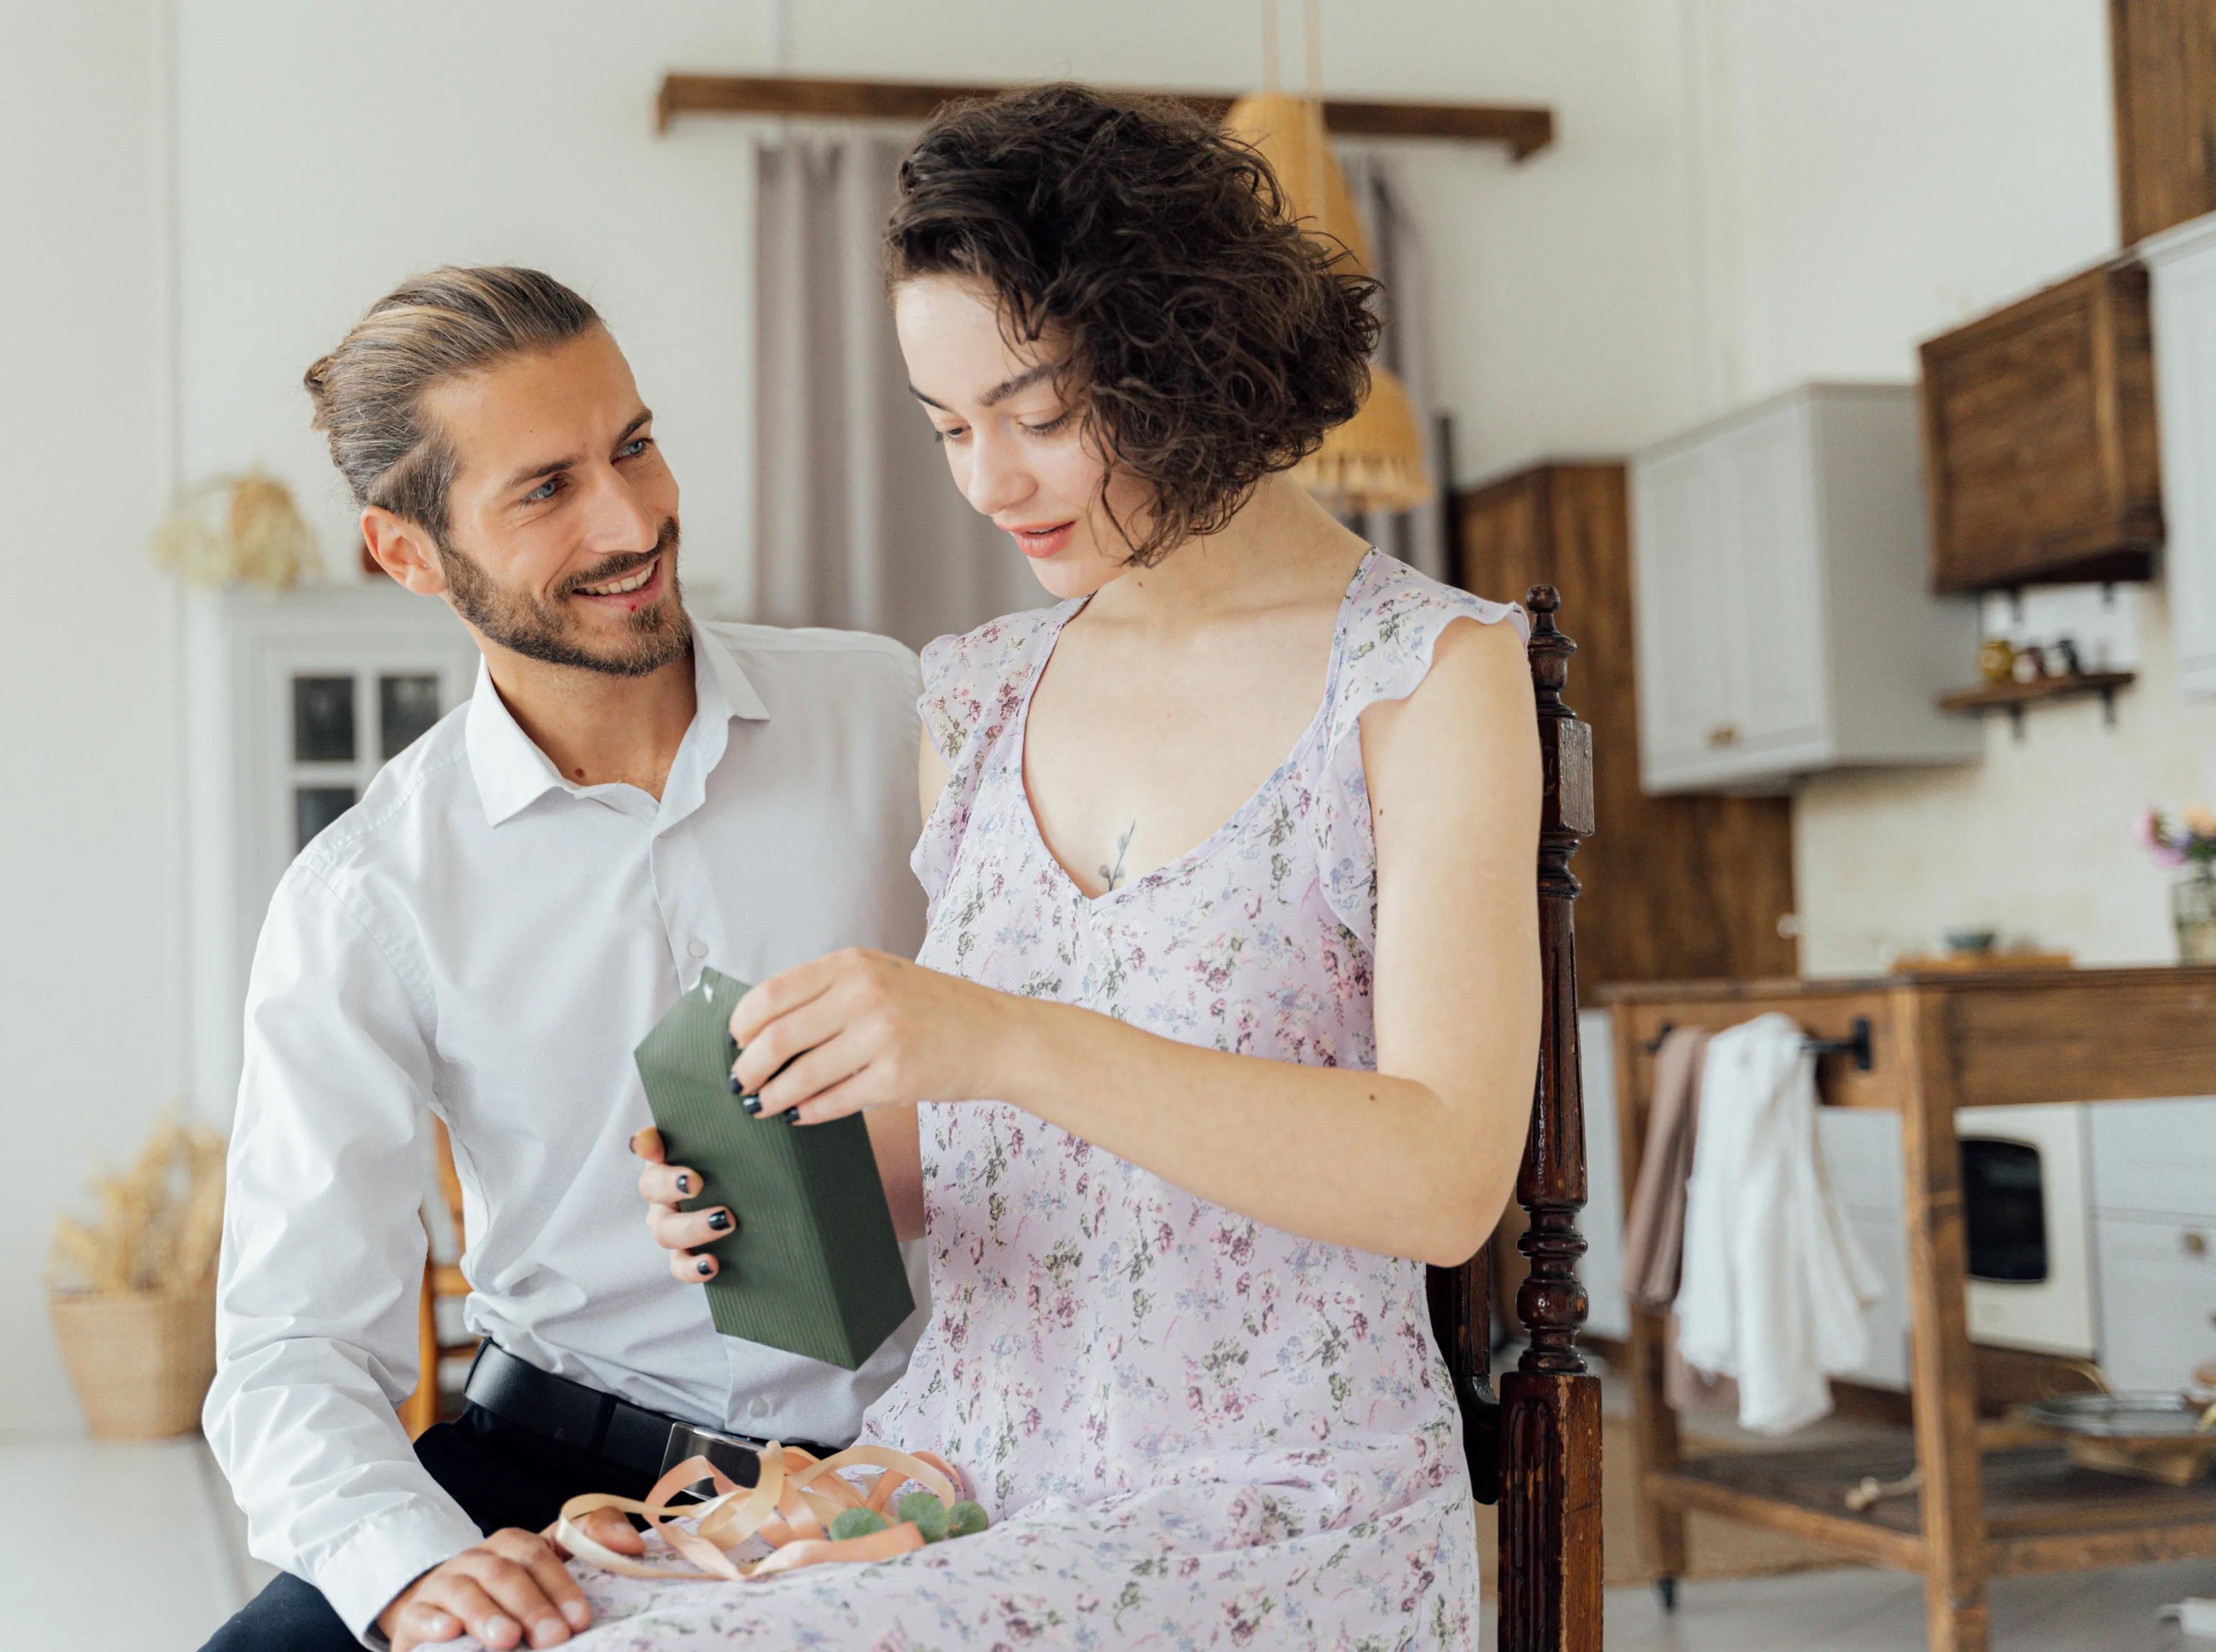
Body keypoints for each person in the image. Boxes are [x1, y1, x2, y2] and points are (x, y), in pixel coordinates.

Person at [610, 84, 1543, 1648]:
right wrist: (784, 1171)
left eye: (1037, 414)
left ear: (1190, 353)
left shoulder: (1424, 677)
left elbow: (1445, 1178)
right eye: (948, 427)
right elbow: (999, 1151)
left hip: (1273, 1506)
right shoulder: (975, 694)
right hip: (961, 1473)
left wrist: (1001, 1035)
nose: (986, 480)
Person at [198, 266, 931, 1652]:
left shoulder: (889, 713)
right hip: (561, 1472)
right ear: (408, 553)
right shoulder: (366, 896)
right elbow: (292, 1342)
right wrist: (408, 1562)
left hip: (930, 1449)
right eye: (546, 489)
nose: (634, 518)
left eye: (635, 445)